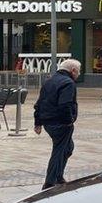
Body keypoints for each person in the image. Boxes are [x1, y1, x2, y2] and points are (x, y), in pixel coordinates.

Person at [34, 59, 80, 190]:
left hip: (48, 121)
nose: (79, 74)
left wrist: (38, 122)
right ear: (73, 70)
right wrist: (68, 121)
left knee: (68, 148)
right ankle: (50, 182)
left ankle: (59, 176)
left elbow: (39, 103)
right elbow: (65, 104)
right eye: (79, 71)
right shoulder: (68, 83)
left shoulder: (49, 80)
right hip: (60, 123)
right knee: (59, 151)